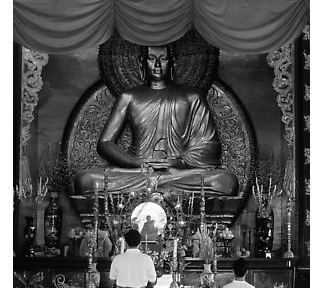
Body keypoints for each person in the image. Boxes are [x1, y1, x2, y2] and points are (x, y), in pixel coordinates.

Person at [74, 44, 239, 196]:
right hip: (138, 172)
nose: (158, 64)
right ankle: (157, 184)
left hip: (176, 173)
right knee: (86, 180)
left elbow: (208, 145)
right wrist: (136, 163)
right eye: (151, 58)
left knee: (224, 182)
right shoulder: (128, 97)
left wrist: (177, 163)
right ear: (142, 63)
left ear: (173, 63)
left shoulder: (192, 97)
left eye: (163, 58)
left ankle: (159, 184)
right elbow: (105, 143)